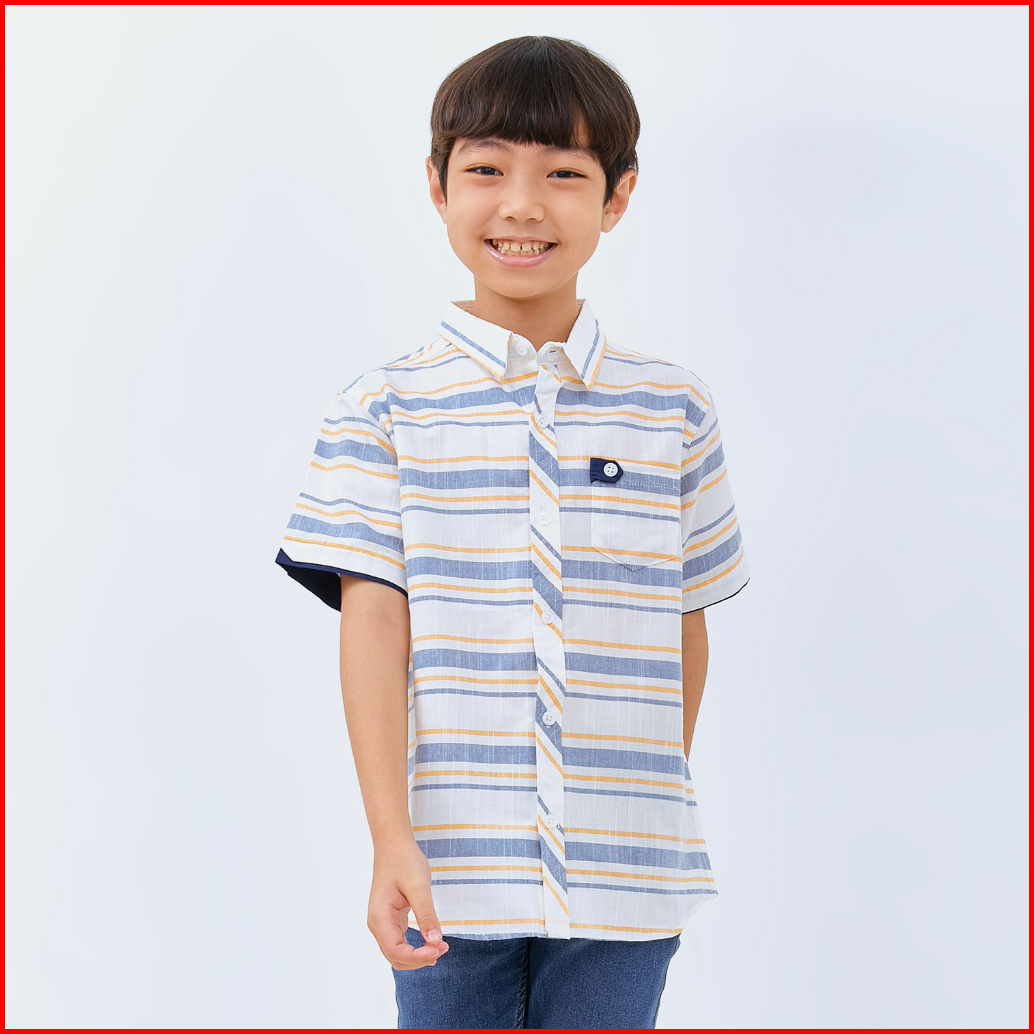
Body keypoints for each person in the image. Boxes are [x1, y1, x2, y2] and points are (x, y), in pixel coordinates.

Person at [275, 35, 749, 1030]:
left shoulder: (673, 410)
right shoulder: (383, 408)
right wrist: (390, 836)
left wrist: (645, 806)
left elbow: (684, 620)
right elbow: (373, 624)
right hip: (451, 867)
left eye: (563, 173)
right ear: (437, 187)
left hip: (626, 875)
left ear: (617, 195)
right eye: (486, 169)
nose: (522, 205)